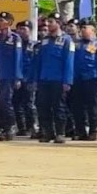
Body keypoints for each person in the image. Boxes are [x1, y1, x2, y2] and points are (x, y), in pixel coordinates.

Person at [32, 13, 75, 144]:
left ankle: (60, 133)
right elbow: (38, 62)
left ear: (58, 23)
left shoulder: (67, 40)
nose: (48, 24)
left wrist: (67, 81)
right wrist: (35, 79)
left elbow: (69, 61)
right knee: (43, 107)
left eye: (51, 22)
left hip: (58, 80)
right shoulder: (44, 41)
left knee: (59, 107)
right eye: (47, 22)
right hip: (44, 79)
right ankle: (47, 132)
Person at [0, 12, 22, 141]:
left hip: (8, 75)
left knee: (6, 101)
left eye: (3, 20)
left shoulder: (14, 38)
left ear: (9, 22)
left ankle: (11, 125)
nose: (0, 23)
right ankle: (1, 127)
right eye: (0, 20)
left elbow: (18, 59)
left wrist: (18, 77)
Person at [71, 19, 97, 142]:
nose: (82, 30)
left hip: (92, 79)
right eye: (81, 28)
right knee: (77, 106)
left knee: (92, 106)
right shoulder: (76, 43)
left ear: (93, 29)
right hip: (77, 79)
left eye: (85, 27)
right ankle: (80, 131)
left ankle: (93, 131)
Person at [14, 21, 38, 138]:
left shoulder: (35, 45)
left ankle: (31, 126)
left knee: (29, 104)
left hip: (29, 78)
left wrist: (33, 79)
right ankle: (21, 127)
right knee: (16, 103)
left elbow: (36, 63)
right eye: (19, 29)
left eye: (24, 29)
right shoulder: (15, 44)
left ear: (30, 30)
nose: (21, 31)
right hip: (17, 78)